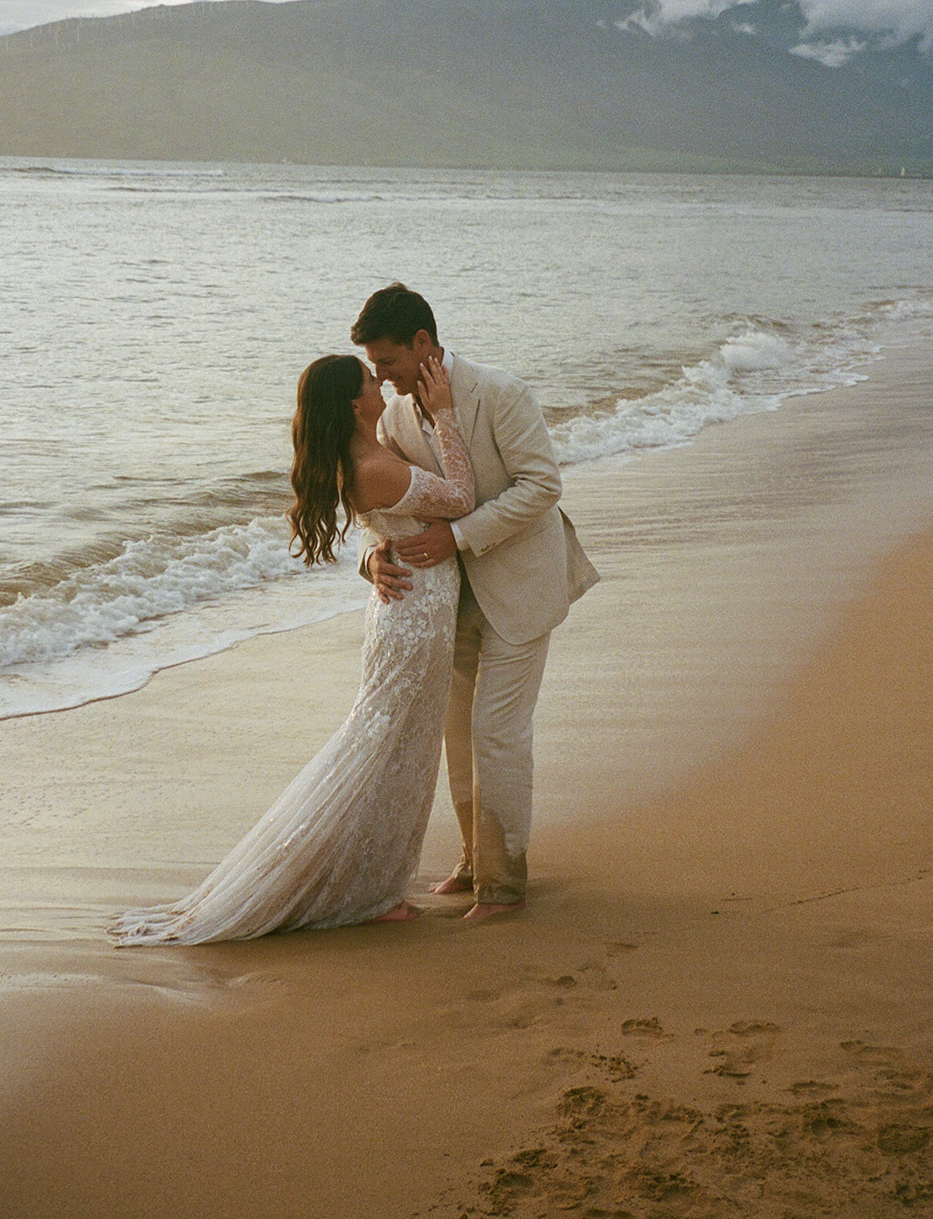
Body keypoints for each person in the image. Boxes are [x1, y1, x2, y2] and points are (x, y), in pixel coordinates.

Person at [110, 351, 474, 943]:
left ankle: (372, 884)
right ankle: (361, 889)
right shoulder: (371, 464)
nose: (379, 383)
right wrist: (448, 414)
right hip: (413, 619)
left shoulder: (366, 454)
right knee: (385, 750)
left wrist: (371, 556)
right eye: (368, 379)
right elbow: (460, 497)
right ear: (356, 403)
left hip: (409, 611)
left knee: (399, 752)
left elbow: (389, 525)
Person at [351, 283, 597, 921]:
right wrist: (370, 557)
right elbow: (387, 504)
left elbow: (542, 485)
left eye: (388, 362)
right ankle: (471, 860)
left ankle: (505, 883)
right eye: (374, 367)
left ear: (423, 343)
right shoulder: (395, 418)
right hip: (448, 600)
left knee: (497, 734)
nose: (381, 377)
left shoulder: (501, 391)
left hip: (520, 588)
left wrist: (458, 535)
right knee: (457, 732)